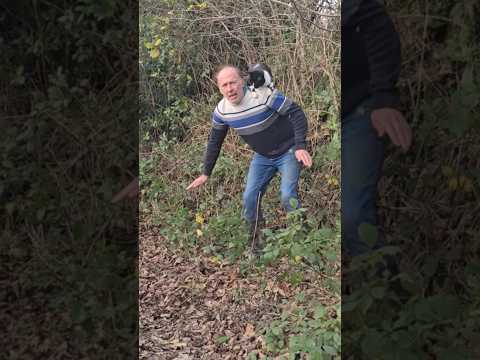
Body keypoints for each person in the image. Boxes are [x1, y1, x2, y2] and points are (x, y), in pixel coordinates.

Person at [186, 64, 312, 252]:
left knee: (287, 195)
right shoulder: (222, 111)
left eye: (233, 82)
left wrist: (300, 145)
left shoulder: (263, 95)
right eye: (224, 85)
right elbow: (215, 141)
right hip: (262, 157)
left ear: (242, 81)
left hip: (288, 151)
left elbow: (296, 113)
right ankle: (256, 244)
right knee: (250, 197)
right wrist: (206, 172)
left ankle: (304, 241)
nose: (230, 89)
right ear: (219, 88)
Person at [341, 0, 413, 258]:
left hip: (359, 107)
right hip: (325, 115)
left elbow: (376, 25)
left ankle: (383, 289)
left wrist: (384, 99)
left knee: (352, 216)